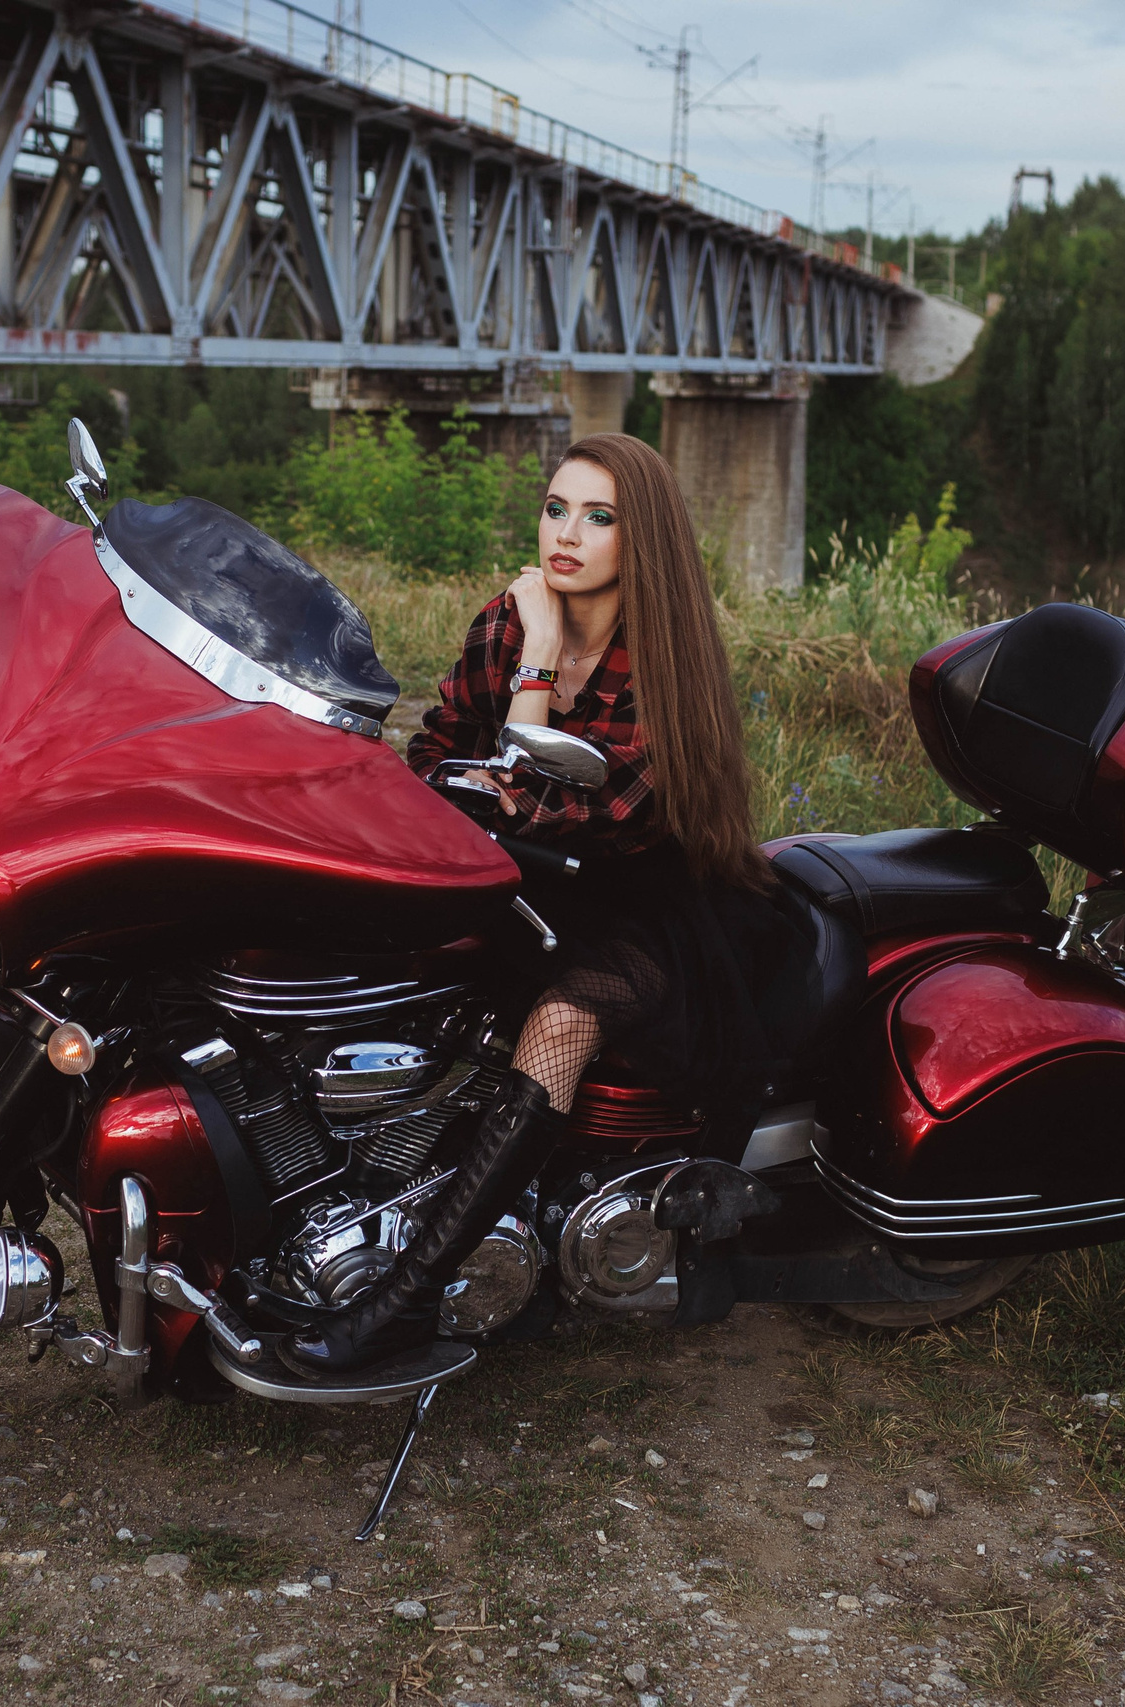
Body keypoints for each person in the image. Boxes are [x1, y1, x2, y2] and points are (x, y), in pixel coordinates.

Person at [284, 432, 808, 1375]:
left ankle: (406, 1301)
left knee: (560, 1023)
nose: (568, 534)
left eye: (599, 517)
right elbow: (436, 752)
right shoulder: (504, 617)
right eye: (556, 508)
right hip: (521, 874)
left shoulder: (663, 661)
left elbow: (578, 812)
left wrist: (536, 666)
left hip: (653, 900)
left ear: (639, 539)